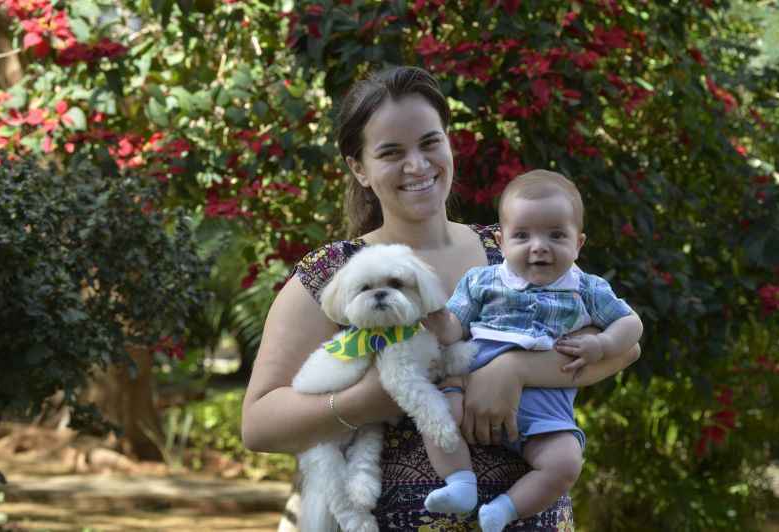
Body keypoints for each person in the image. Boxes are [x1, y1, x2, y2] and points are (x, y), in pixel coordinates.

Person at [241, 65, 641, 530]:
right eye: (391, 152)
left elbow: (619, 344)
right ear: (359, 168)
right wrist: (369, 399)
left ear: (449, 142)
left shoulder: (514, 248)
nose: (418, 165)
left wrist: (513, 370)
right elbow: (259, 424)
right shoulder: (335, 272)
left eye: (430, 143)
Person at [420, 170, 644, 531]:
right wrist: (435, 317)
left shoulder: (586, 288)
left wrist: (601, 344)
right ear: (501, 241)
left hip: (544, 411)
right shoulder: (482, 280)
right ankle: (461, 483)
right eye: (522, 235)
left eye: (556, 235)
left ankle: (505, 509)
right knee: (437, 415)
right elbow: (454, 328)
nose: (538, 246)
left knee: (566, 462)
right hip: (471, 382)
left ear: (579, 243)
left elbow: (631, 326)